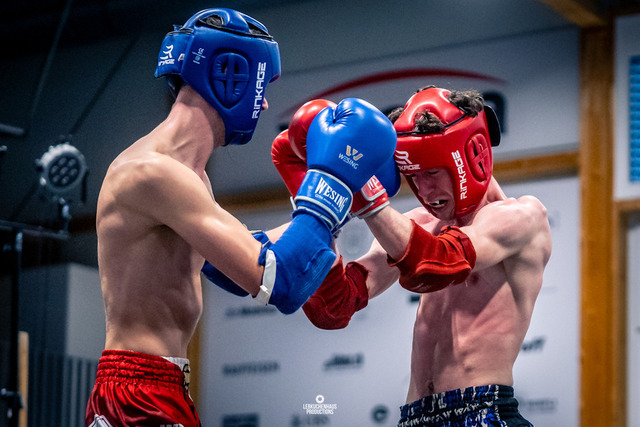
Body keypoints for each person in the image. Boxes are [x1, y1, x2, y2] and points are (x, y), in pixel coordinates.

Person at [84, 8, 397, 427]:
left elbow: (237, 264)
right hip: (137, 391)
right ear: (229, 77)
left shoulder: (189, 178)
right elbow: (280, 283)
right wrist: (329, 186)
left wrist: (336, 207)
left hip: (159, 385)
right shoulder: (154, 173)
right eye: (261, 87)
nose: (264, 102)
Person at [291, 86, 552, 426]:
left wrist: (364, 191)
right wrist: (318, 204)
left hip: (482, 413)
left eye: (431, 172)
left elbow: (435, 266)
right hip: (413, 417)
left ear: (471, 156)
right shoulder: (419, 225)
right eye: (413, 176)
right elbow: (334, 306)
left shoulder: (523, 217)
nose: (425, 190)